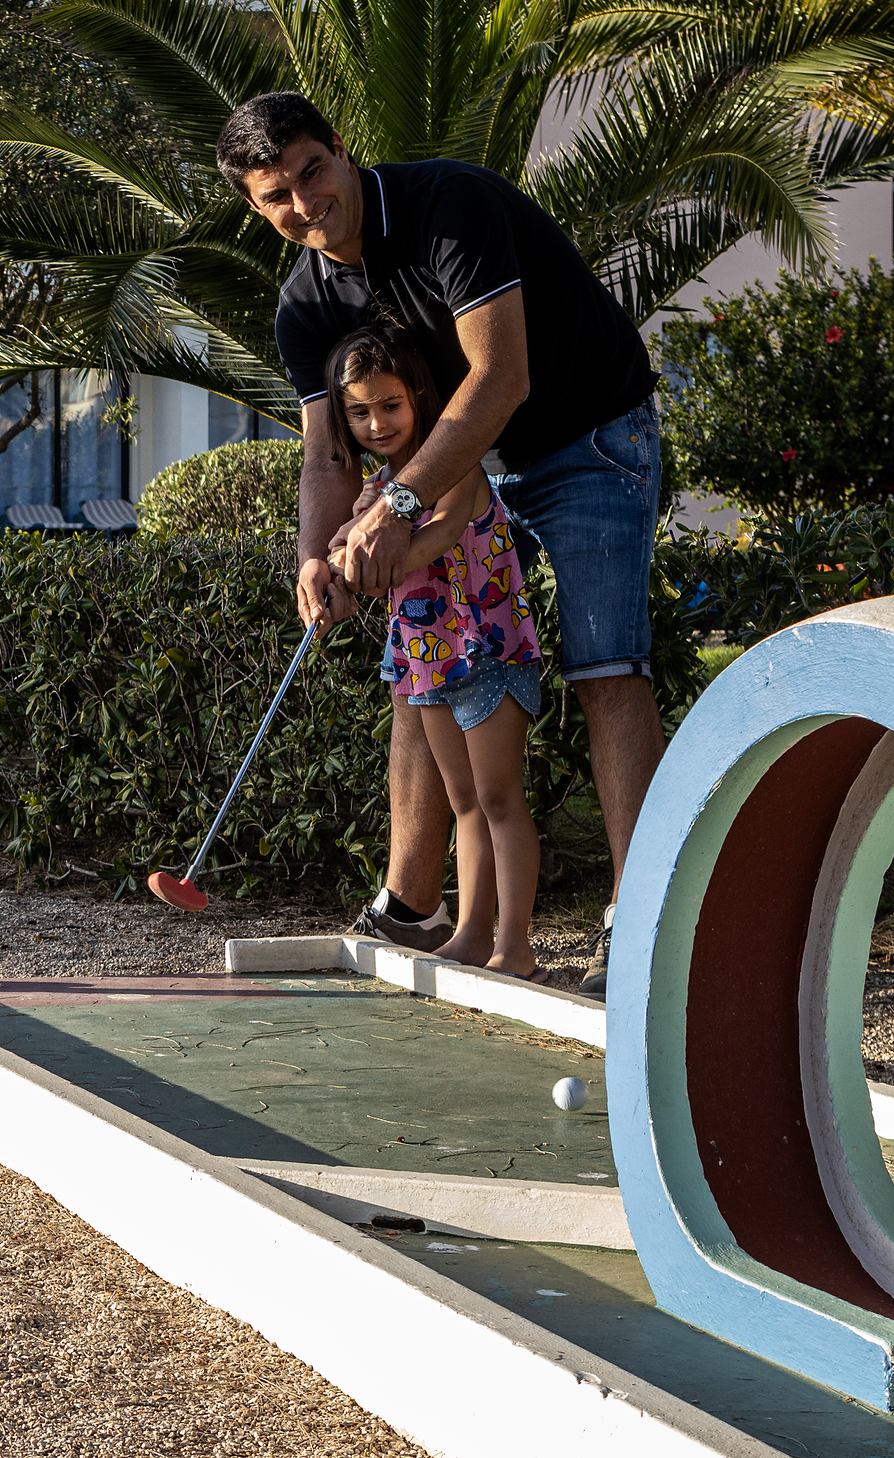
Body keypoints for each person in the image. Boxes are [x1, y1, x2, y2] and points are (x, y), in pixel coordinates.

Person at [224, 91, 664, 985]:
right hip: (467, 463)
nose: (305, 204)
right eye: (278, 196)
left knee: (604, 666)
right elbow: (324, 455)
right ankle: (414, 907)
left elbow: (501, 376)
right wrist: (318, 553)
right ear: (256, 208)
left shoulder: (445, 208)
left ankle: (644, 916)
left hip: (586, 436)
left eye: (312, 172)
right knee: (424, 662)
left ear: (342, 151)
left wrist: (395, 506)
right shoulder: (306, 303)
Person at [319, 327, 555, 982]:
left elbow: (438, 534)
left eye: (389, 405)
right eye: (360, 411)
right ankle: (474, 936)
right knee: (465, 802)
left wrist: (373, 563)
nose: (376, 423)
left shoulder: (457, 467)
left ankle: (517, 946)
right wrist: (330, 568)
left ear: (418, 396)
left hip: (487, 652)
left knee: (501, 797)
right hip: (428, 663)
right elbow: (349, 547)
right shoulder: (376, 491)